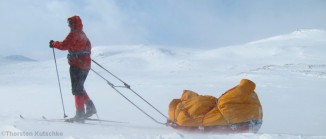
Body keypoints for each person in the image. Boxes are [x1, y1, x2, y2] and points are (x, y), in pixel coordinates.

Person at [49, 15, 96, 123]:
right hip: (85, 65)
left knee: (77, 89)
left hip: (77, 65)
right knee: (79, 87)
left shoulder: (74, 34)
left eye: (70, 23)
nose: (69, 25)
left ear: (75, 24)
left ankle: (80, 114)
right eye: (69, 24)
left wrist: (53, 44)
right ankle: (90, 107)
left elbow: (64, 45)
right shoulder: (83, 34)